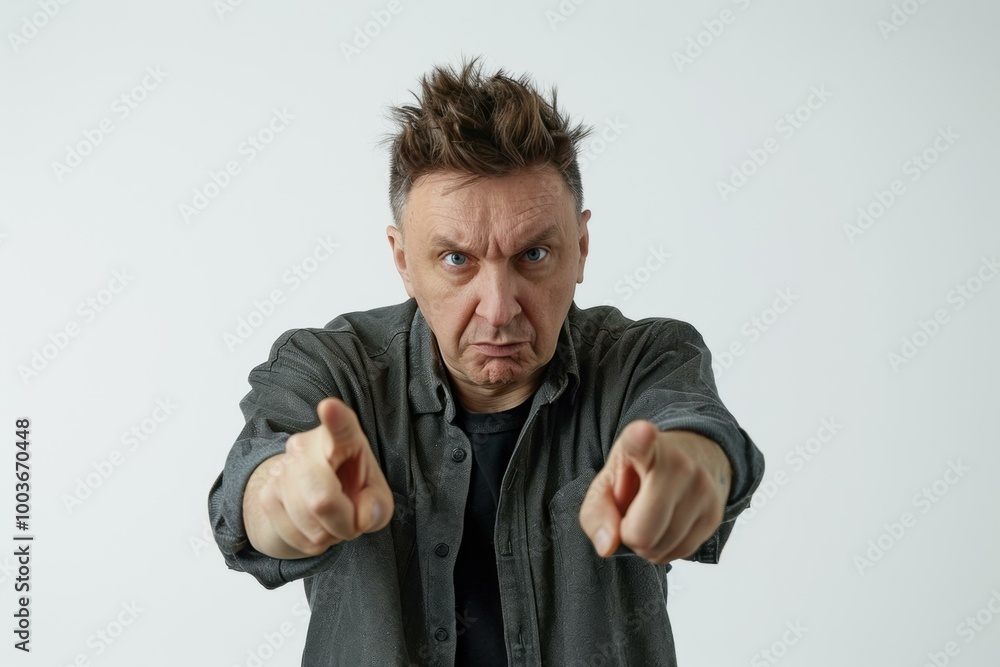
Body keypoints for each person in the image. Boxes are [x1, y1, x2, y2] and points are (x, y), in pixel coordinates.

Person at [207, 55, 765, 667]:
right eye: (456, 260)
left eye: (533, 255)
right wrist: (285, 497)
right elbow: (254, 486)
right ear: (402, 260)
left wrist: (691, 469)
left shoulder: (644, 359)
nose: (498, 310)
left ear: (581, 247)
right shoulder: (331, 368)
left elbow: (697, 433)